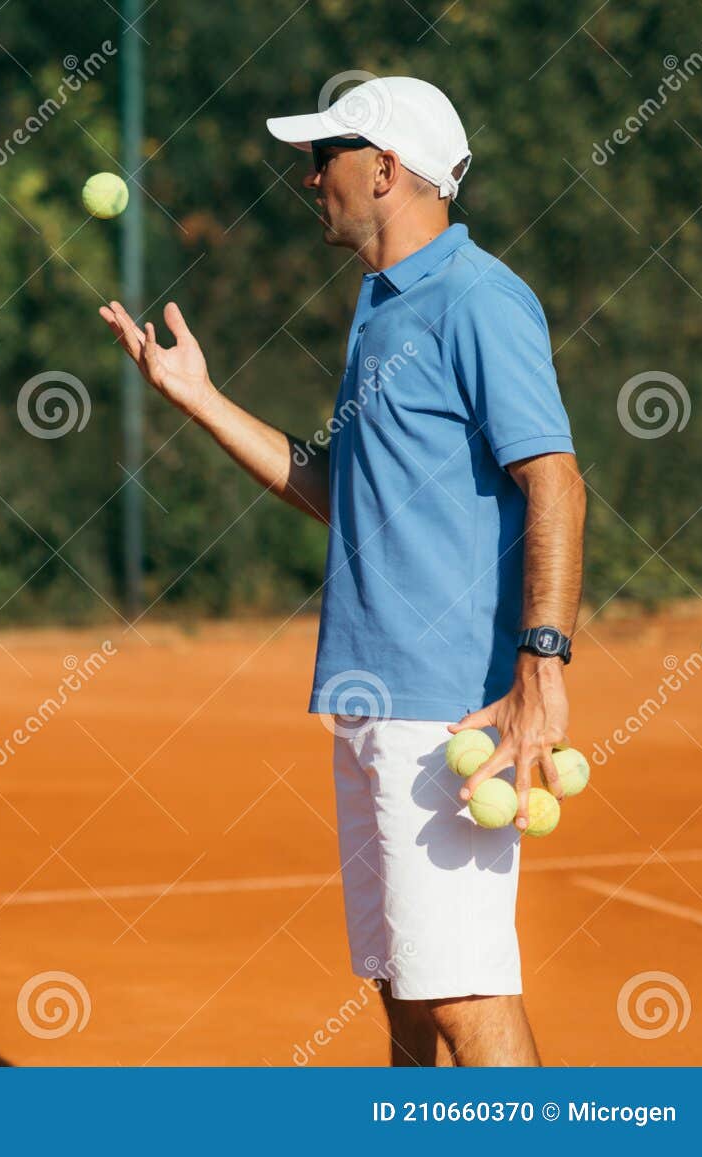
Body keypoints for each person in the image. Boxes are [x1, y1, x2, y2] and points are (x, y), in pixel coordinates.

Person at [99, 77, 585, 1066]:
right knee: (406, 996)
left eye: (325, 155)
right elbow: (341, 490)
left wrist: (541, 662)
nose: (309, 175)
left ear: (387, 170)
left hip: (447, 705)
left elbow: (559, 482)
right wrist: (198, 398)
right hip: (371, 693)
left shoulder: (478, 299)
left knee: (462, 999)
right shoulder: (380, 303)